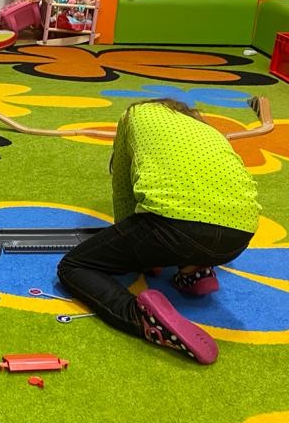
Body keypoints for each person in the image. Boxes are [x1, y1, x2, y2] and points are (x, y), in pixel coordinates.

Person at [56, 99, 261, 365]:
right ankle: (195, 270)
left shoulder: (133, 114)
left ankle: (139, 316)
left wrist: (137, 252)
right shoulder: (209, 131)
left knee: (74, 266)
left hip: (174, 229)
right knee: (200, 215)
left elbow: (123, 189)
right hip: (240, 236)